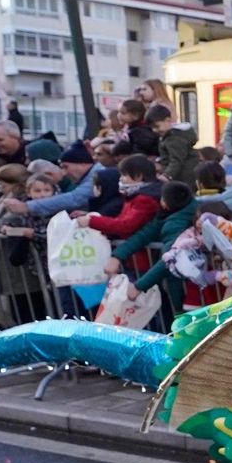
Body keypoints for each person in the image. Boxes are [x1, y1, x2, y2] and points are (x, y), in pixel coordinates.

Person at [105, 180, 197, 321]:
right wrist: (117, 256)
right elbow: (144, 235)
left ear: (166, 202)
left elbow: (170, 258)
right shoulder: (174, 216)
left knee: (188, 325)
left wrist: (138, 287)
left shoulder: (176, 224)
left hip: (187, 290)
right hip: (186, 288)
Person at [76, 155, 163, 271]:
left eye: (124, 175)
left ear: (138, 176)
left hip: (142, 260)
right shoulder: (134, 196)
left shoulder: (145, 199)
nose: (121, 179)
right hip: (135, 258)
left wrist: (92, 221)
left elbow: (126, 225)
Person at [148, 104, 199, 183]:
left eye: (157, 126)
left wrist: (167, 176)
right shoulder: (170, 137)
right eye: (152, 127)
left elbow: (176, 160)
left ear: (168, 120)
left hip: (183, 176)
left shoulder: (174, 139)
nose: (154, 130)